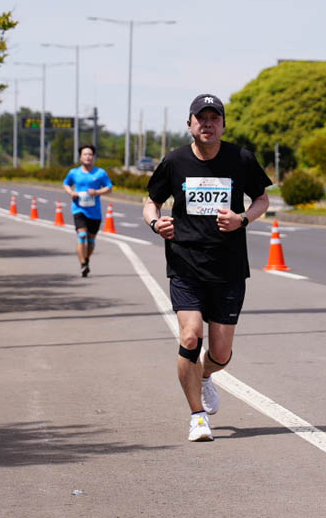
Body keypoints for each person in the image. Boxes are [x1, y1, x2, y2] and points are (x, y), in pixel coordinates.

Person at [143, 93, 271, 443]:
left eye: (215, 118)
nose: (208, 124)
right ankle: (197, 416)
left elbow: (262, 198)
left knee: (220, 352)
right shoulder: (175, 161)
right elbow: (151, 201)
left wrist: (242, 218)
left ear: (223, 124)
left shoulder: (240, 159)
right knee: (189, 335)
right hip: (185, 262)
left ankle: (204, 375)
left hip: (228, 267)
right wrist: (156, 224)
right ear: (190, 124)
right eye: (202, 118)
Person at [62, 145, 113, 277]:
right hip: (79, 209)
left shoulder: (100, 173)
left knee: (91, 240)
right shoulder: (74, 172)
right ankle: (83, 264)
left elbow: (109, 187)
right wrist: (71, 192)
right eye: (85, 154)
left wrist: (97, 192)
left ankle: (86, 258)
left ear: (93, 157)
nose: (88, 157)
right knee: (82, 235)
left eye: (90, 154)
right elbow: (66, 183)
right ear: (80, 157)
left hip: (94, 212)